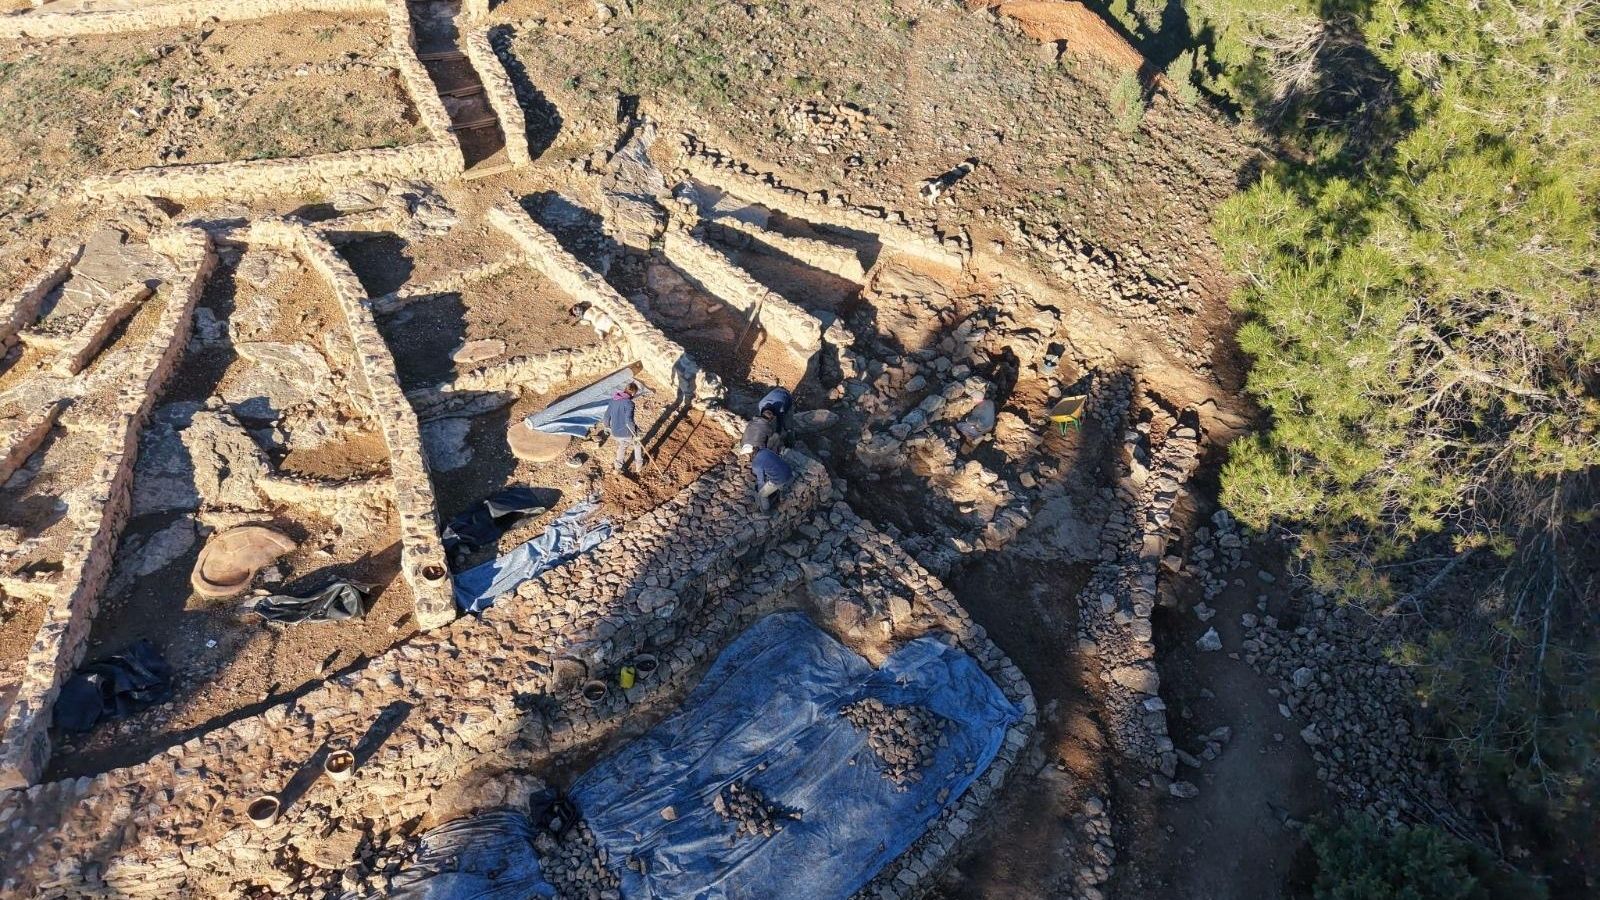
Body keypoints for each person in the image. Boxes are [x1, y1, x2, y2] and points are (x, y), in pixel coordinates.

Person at [604, 382, 644, 474]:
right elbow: (628, 421)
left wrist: (607, 427)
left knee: (622, 446)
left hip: (615, 432)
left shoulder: (613, 400)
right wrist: (635, 433)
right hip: (626, 432)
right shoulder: (629, 404)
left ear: (625, 389)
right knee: (637, 443)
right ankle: (639, 466)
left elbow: (606, 416)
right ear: (633, 393)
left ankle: (617, 468)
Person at [751, 447, 793, 513]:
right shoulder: (765, 450)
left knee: (762, 495)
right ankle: (781, 492)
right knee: (771, 478)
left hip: (779, 479)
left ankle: (766, 512)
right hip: (788, 471)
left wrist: (760, 489)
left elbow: (760, 481)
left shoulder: (756, 463)